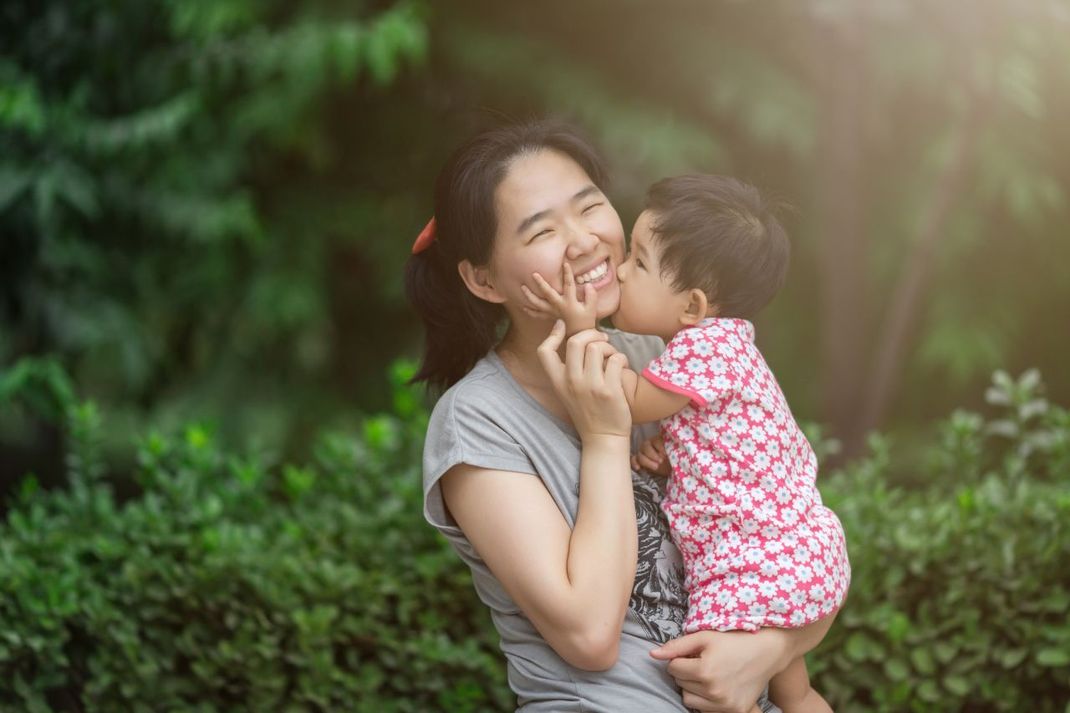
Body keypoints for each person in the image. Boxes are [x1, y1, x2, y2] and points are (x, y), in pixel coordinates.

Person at [405, 118, 828, 712]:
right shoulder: (478, 422)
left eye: (589, 207)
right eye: (541, 231)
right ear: (483, 278)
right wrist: (605, 437)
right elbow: (589, 636)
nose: (584, 242)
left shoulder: (661, 357)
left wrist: (771, 649)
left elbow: (790, 536)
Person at [521, 174, 850, 712]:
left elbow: (626, 400)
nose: (619, 271)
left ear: (693, 307)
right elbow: (730, 442)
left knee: (717, 690)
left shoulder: (703, 348)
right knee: (795, 694)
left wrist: (582, 329)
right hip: (798, 552)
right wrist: (677, 456)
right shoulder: (730, 349)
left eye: (639, 263)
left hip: (750, 565)